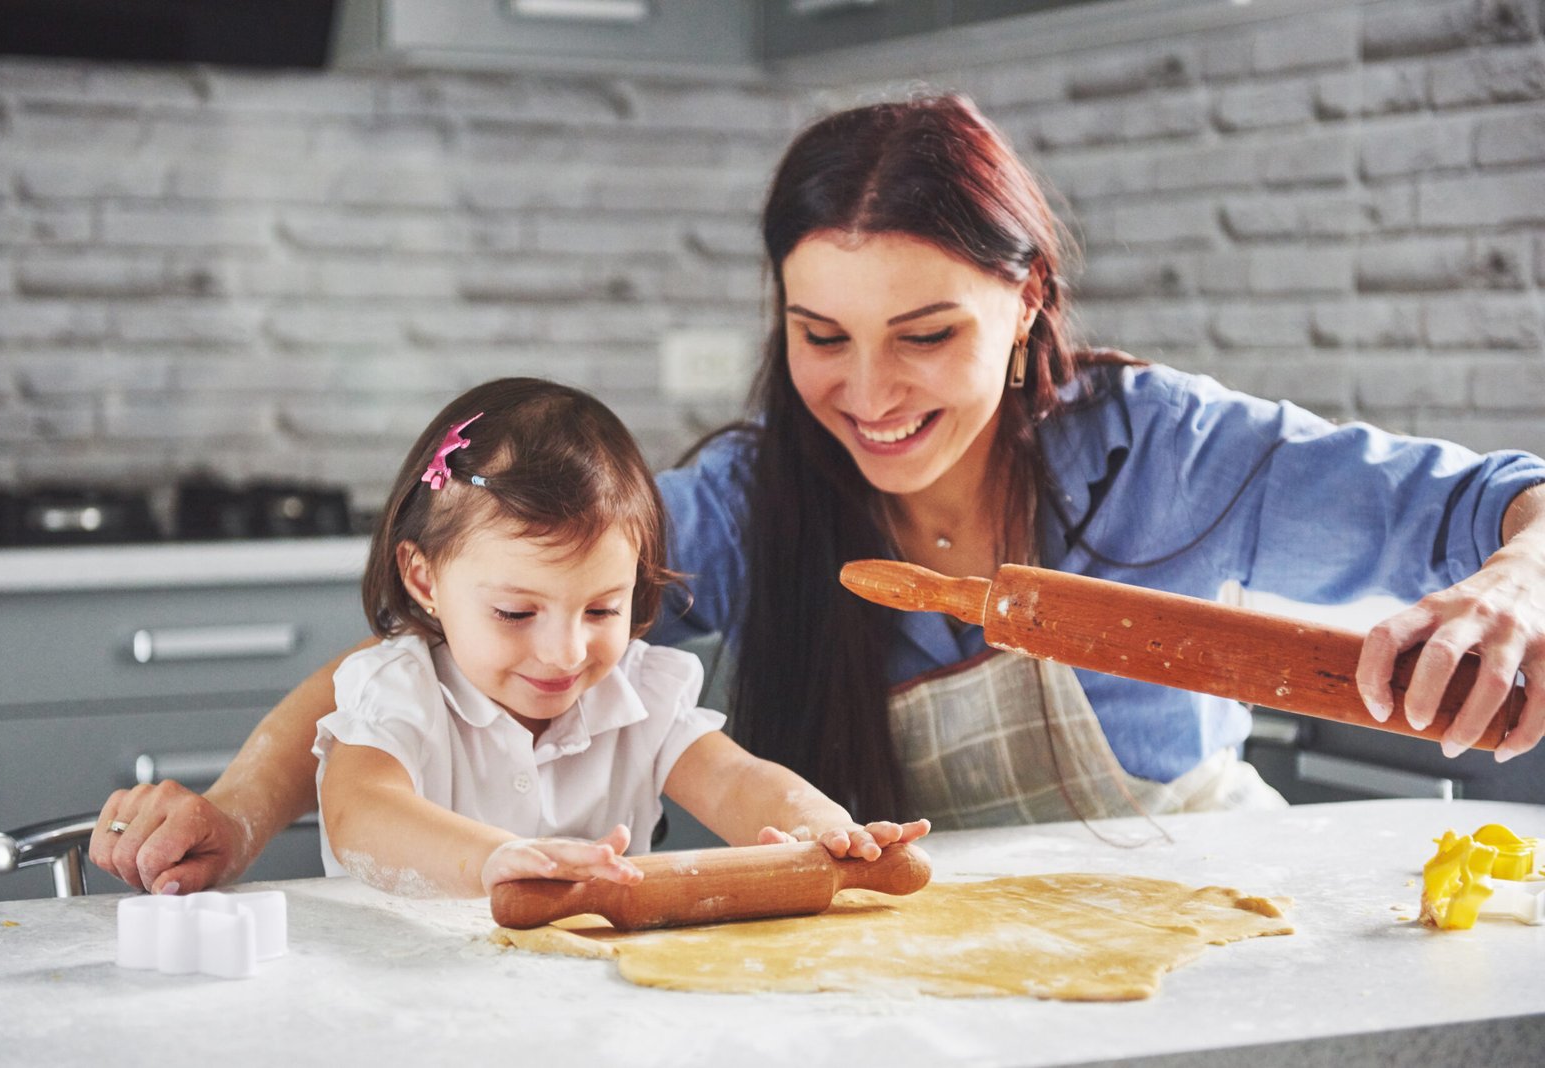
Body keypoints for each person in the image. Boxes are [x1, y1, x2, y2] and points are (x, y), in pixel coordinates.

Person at [91, 94, 1545, 895]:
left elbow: (1515, 505)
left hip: (1196, 922)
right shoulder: (744, 500)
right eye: (819, 337)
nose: (869, 396)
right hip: (891, 967)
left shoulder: (1163, 445)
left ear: (1027, 299)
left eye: (928, 337)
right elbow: (409, 673)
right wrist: (235, 806)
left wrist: (1515, 583)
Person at [321, 377, 925, 897]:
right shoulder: (398, 688)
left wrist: (817, 823)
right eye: (515, 613)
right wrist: (489, 861)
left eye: (602, 609)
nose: (567, 653)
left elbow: (735, 779)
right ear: (423, 577)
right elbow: (360, 811)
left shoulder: (636, 694)